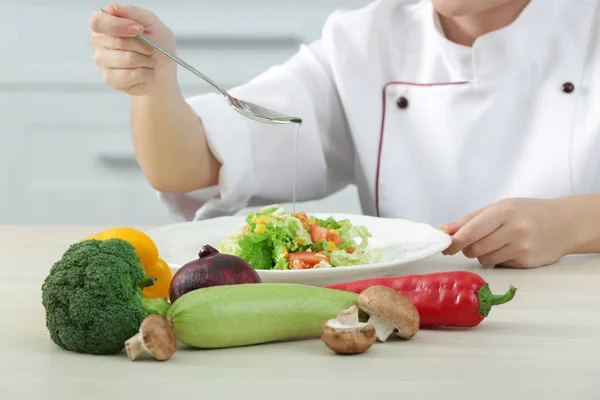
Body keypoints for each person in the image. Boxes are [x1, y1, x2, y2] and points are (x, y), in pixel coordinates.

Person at [89, 0, 600, 269]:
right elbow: (188, 165)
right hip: (408, 332)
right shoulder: (365, 40)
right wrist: (154, 90)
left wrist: (572, 223)